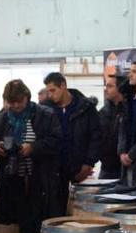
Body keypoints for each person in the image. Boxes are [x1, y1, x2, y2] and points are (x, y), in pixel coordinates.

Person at [0, 79, 61, 233]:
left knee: (42, 223)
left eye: (18, 102)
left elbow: (57, 141)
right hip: (15, 179)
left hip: (41, 178)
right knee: (24, 225)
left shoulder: (45, 114)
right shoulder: (5, 117)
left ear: (27, 98)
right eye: (11, 102)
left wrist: (34, 147)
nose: (15, 106)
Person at [43, 72, 101, 213]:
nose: (50, 95)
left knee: (79, 212)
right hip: (54, 170)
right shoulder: (45, 109)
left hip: (79, 167)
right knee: (55, 212)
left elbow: (96, 136)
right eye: (48, 91)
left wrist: (89, 162)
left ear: (63, 86)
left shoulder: (86, 107)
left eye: (53, 90)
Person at [98, 75, 124, 179]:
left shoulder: (128, 110)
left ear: (120, 88)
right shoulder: (103, 112)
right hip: (106, 167)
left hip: (124, 165)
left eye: (110, 86)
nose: (106, 90)